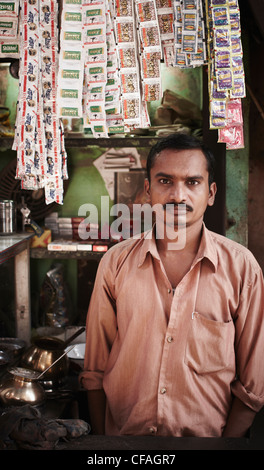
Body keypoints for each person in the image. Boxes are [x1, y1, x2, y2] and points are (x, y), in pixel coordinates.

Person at [79, 133, 264, 438]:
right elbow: (95, 372)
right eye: (165, 181)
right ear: (148, 190)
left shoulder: (242, 270)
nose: (178, 195)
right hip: (125, 443)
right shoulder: (115, 263)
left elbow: (253, 385)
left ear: (211, 192)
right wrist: (106, 445)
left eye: (192, 182)